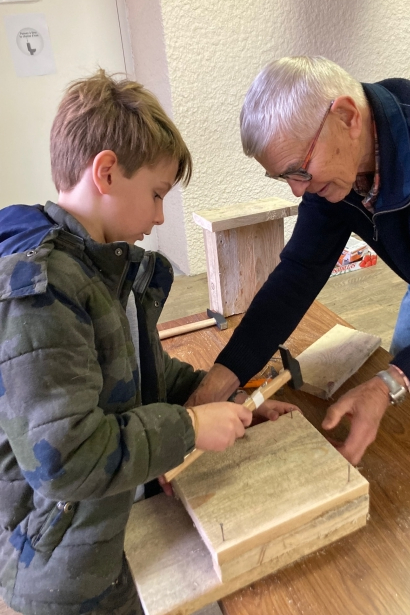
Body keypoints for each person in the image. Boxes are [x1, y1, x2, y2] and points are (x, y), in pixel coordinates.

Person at [0, 70, 294, 615]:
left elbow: (136, 373)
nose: (160, 217)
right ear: (106, 172)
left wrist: (220, 402)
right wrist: (189, 428)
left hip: (109, 530)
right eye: (156, 195)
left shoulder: (98, 269)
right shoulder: (41, 293)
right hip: (64, 567)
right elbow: (65, 460)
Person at [186, 55, 410, 467]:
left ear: (346, 116)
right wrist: (220, 379)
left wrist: (388, 384)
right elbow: (299, 273)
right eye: (281, 177)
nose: (295, 191)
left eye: (298, 170)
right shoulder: (334, 171)